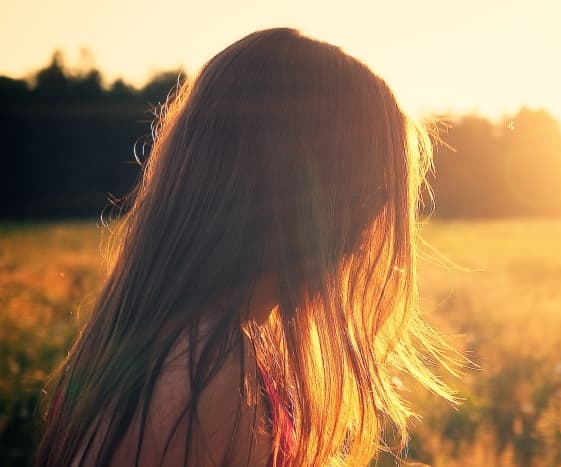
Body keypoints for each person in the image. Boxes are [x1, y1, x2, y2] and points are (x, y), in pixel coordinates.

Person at [36, 28, 458, 467]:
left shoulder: (174, 344)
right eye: (372, 193)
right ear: (304, 196)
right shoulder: (204, 369)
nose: (369, 231)